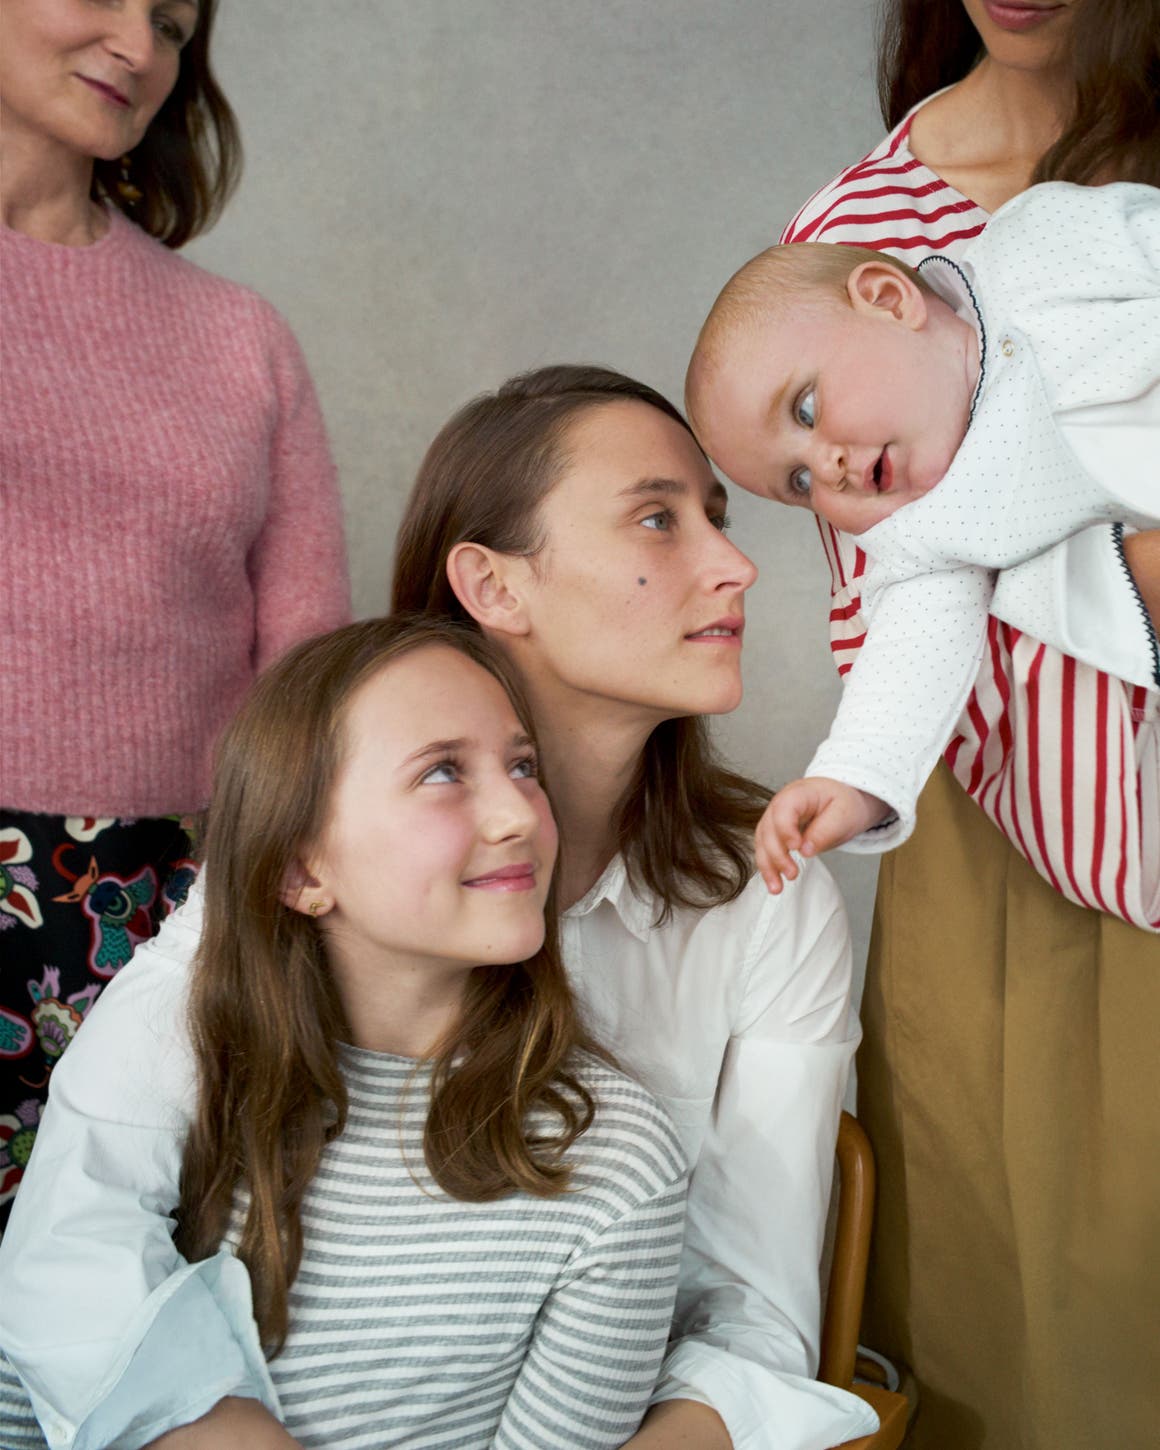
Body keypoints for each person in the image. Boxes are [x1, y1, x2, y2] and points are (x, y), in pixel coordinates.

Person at [0, 367, 877, 1450]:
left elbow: (754, 1317)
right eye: (657, 518)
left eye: (716, 517)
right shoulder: (306, 848)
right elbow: (77, 1229)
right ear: (493, 586)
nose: (737, 565)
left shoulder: (771, 899)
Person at [0, 614, 690, 1450]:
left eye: (523, 766)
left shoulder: (613, 1164)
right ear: (300, 869)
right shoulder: (188, 1081)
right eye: (443, 771)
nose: (519, 813)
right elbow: (30, 1391)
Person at [772, 1, 1160, 1445]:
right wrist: (855, 775)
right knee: (1016, 1341)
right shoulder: (853, 232)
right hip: (1004, 844)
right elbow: (897, 598)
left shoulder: (1096, 228)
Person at [0, 0, 350, 1225]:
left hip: (172, 913)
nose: (141, 48)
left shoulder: (238, 338)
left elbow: (308, 673)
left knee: (132, 1293)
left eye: (171, 21)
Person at [686, 181, 1159, 882]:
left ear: (887, 299)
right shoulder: (928, 532)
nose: (826, 466)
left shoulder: (1036, 246)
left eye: (806, 409)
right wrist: (853, 780)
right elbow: (909, 659)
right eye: (799, 483)